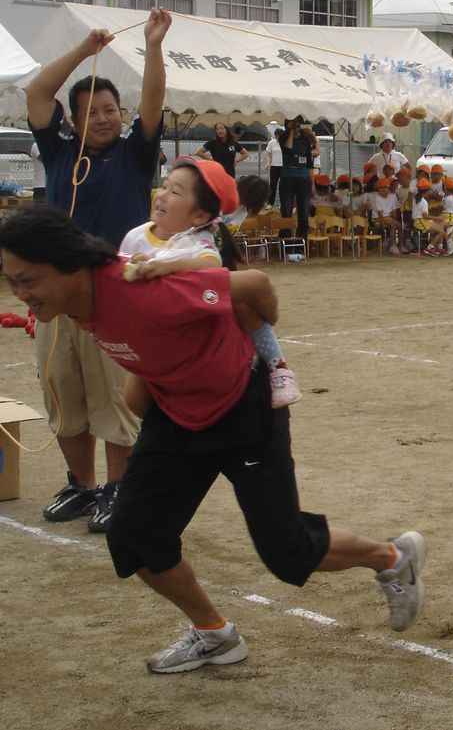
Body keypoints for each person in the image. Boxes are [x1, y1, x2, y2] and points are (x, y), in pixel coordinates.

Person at [0, 204, 427, 673]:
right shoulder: (74, 304)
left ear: (69, 264)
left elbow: (257, 285)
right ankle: (215, 634)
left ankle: (393, 556)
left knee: (287, 554)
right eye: (11, 280)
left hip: (242, 410)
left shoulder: (144, 289)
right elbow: (147, 351)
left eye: (28, 280)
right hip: (176, 415)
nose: (20, 292)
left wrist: (262, 347)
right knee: (134, 534)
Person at [24, 6, 172, 532]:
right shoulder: (60, 152)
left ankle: (117, 489)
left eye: (111, 109)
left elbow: (154, 101)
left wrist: (153, 47)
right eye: (94, 112)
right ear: (75, 119)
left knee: (116, 399)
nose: (105, 117)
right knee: (64, 391)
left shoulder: (136, 153)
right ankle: (81, 485)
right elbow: (37, 95)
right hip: (58, 296)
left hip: (115, 294)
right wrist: (83, 53)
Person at [120, 156, 302, 407]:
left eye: (174, 191)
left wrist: (164, 266)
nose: (161, 194)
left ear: (199, 215)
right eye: (163, 186)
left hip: (200, 315)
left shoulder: (198, 239)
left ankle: (278, 367)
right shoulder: (136, 235)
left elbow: (211, 263)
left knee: (245, 310)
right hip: (160, 329)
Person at [279, 117, 318, 238]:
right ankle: (286, 241)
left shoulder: (305, 140)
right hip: (287, 178)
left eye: (297, 123)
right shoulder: (283, 137)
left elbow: (309, 163)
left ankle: (301, 243)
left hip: (303, 179)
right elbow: (288, 149)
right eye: (292, 122)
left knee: (303, 212)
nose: (296, 125)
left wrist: (312, 184)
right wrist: (291, 131)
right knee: (286, 211)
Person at [265, 128, 283, 207]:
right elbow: (268, 153)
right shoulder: (272, 143)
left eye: (280, 136)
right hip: (274, 166)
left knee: (283, 186)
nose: (278, 138)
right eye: (277, 136)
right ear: (275, 136)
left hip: (283, 167)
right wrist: (268, 162)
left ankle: (282, 203)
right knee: (272, 185)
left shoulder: (286, 143)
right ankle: (270, 203)